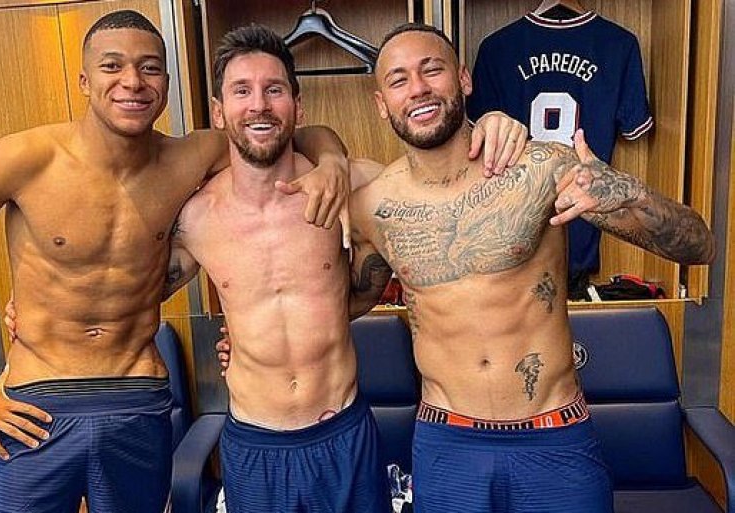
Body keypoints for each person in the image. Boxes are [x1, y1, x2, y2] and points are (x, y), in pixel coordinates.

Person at [0, 10, 356, 513]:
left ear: (166, 83)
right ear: (85, 81)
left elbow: (279, 132)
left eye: (149, 68)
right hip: (37, 401)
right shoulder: (25, 159)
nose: (132, 81)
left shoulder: (189, 158)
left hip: (137, 396)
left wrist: (333, 162)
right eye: (112, 66)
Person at [155, 25, 526, 513]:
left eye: (274, 90)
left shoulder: (353, 187)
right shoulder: (196, 218)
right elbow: (125, 295)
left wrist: (494, 124)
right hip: (255, 445)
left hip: (344, 437)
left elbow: (445, 184)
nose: (259, 105)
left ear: (298, 106)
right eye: (242, 91)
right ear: (219, 111)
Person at [345, 23, 714, 513]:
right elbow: (340, 305)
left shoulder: (541, 167)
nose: (418, 88)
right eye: (399, 79)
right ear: (381, 103)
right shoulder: (374, 207)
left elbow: (699, 245)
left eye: (432, 70)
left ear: (463, 79)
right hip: (447, 446)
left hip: (554, 439)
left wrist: (624, 192)